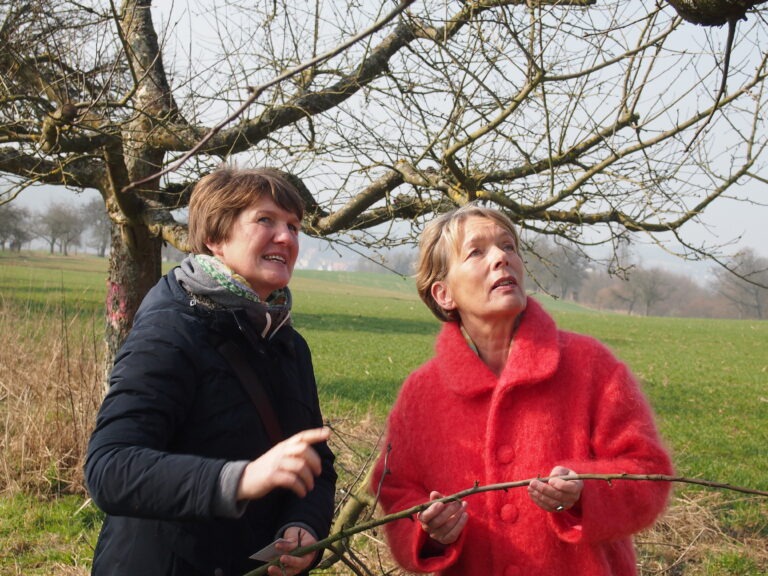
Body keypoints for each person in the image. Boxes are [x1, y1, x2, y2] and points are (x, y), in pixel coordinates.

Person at [371, 204, 673, 576]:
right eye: (477, 251)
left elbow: (648, 473)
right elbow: (395, 489)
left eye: (508, 246)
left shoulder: (592, 365)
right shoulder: (421, 393)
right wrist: (430, 529)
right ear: (444, 294)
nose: (501, 258)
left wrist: (584, 493)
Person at [85, 166, 336, 576]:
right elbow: (110, 467)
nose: (286, 237)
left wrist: (303, 526)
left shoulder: (288, 345)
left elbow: (315, 463)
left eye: (293, 226)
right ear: (215, 238)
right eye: (265, 220)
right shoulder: (171, 330)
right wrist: (239, 480)